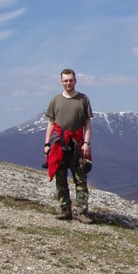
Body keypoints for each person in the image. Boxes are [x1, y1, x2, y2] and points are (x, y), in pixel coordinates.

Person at [44, 68, 93, 223]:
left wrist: (86, 143)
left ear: (75, 81)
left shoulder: (83, 99)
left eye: (70, 80)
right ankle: (65, 210)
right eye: (65, 80)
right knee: (60, 179)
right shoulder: (55, 100)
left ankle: (81, 212)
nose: (68, 83)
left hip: (78, 144)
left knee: (80, 179)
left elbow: (87, 123)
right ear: (61, 82)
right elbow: (51, 123)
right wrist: (47, 144)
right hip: (59, 143)